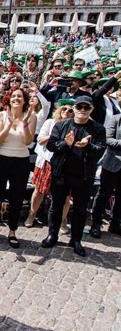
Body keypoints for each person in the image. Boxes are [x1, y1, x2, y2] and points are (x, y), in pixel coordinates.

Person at [42, 96, 106, 256]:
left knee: (80, 210)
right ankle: (52, 235)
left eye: (87, 107)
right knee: (56, 206)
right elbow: (51, 146)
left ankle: (76, 240)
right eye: (80, 107)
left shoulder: (98, 129)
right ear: (75, 108)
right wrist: (66, 143)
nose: (83, 110)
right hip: (61, 173)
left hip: (83, 176)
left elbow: (100, 150)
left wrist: (87, 146)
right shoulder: (61, 125)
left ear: (91, 109)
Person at [0, 88, 36, 248]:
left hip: (21, 160)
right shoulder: (0, 115)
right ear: (8, 99)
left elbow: (27, 141)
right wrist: (9, 124)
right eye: (13, 96)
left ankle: (12, 231)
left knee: (17, 196)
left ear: (24, 100)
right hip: (2, 158)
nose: (16, 98)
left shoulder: (31, 116)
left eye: (20, 96)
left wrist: (24, 123)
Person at [26, 100, 74, 231]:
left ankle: (63, 221)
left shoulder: (75, 126)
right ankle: (32, 215)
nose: (67, 112)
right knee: (40, 190)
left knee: (65, 196)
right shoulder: (50, 123)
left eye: (71, 110)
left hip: (65, 164)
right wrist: (55, 134)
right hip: (47, 161)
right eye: (64, 109)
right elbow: (40, 140)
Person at [90, 112, 121, 238]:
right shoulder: (116, 119)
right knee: (103, 194)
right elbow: (107, 139)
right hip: (112, 163)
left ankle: (115, 223)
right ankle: (96, 224)